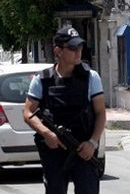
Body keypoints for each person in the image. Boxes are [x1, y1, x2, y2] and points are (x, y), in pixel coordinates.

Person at [23, 25, 106, 194]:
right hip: (54, 150)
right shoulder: (42, 79)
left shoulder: (91, 77)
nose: (78, 51)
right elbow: (28, 113)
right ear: (58, 51)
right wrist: (47, 134)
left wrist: (92, 142)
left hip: (84, 148)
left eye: (80, 47)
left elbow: (100, 113)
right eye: (73, 48)